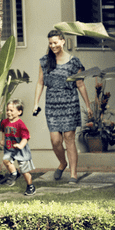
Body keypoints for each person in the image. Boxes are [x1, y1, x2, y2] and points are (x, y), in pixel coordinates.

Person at [33, 29, 92, 186]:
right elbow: (40, 82)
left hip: (70, 104)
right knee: (55, 140)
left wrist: (88, 104)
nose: (53, 46)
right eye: (50, 43)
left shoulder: (74, 62)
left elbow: (80, 84)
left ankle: (73, 174)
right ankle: (62, 163)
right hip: (52, 105)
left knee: (69, 138)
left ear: (63, 41)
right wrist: (35, 103)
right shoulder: (45, 61)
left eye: (55, 42)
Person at [0, 98, 36, 196]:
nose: (8, 112)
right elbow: (3, 130)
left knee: (25, 171)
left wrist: (20, 145)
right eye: (7, 110)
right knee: (5, 160)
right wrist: (3, 139)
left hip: (21, 150)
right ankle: (14, 173)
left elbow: (26, 137)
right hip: (10, 148)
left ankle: (30, 186)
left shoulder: (20, 124)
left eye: (11, 110)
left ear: (19, 112)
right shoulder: (4, 122)